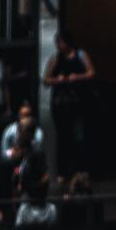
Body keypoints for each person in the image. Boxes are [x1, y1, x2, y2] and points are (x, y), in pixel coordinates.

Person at [41, 38, 95, 184]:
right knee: (64, 138)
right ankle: (64, 171)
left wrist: (77, 77)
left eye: (61, 42)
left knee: (80, 137)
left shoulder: (80, 55)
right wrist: (57, 80)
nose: (58, 45)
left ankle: (81, 170)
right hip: (62, 103)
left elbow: (91, 72)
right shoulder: (55, 58)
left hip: (78, 102)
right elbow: (45, 79)